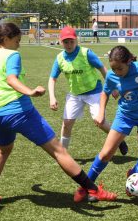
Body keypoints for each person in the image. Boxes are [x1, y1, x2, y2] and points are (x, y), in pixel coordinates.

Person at [0, 23, 117, 204]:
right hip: (19, 111)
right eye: (17, 40)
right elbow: (11, 79)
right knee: (59, 151)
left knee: (3, 150)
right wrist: (30, 91)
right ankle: (93, 189)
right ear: (6, 39)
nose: (19, 44)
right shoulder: (12, 55)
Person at [85, 45, 138, 192]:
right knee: (106, 154)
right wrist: (101, 112)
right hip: (125, 116)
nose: (117, 72)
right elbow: (105, 92)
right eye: (113, 69)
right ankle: (86, 186)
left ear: (129, 62)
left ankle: (134, 174)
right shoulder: (112, 76)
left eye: (120, 69)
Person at [48, 26, 128, 155]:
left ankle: (119, 141)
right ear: (60, 41)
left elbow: (103, 69)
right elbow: (52, 79)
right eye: (65, 42)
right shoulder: (59, 58)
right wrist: (52, 97)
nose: (69, 44)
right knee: (66, 124)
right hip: (75, 94)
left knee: (100, 122)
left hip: (94, 92)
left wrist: (113, 87)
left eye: (71, 41)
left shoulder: (86, 53)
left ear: (76, 40)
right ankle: (63, 154)